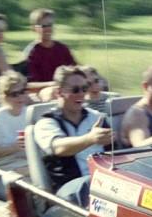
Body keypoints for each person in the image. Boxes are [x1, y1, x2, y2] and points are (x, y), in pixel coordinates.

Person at [34, 66, 113, 207]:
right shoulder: (46, 122)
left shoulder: (96, 117)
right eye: (75, 90)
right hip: (67, 192)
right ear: (59, 92)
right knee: (91, 183)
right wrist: (90, 138)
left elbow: (114, 153)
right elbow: (58, 147)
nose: (81, 94)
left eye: (84, 88)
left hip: (99, 184)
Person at [22, 8, 77, 92]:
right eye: (43, 26)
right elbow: (28, 85)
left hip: (65, 90)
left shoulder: (62, 48)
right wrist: (55, 84)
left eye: (50, 25)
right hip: (42, 93)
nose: (48, 28)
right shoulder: (32, 52)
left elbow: (75, 70)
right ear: (34, 28)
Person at [0, 72, 29, 174]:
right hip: (6, 162)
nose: (20, 97)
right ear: (4, 97)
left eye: (22, 92)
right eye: (14, 94)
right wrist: (14, 148)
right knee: (36, 171)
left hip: (28, 158)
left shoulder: (29, 112)